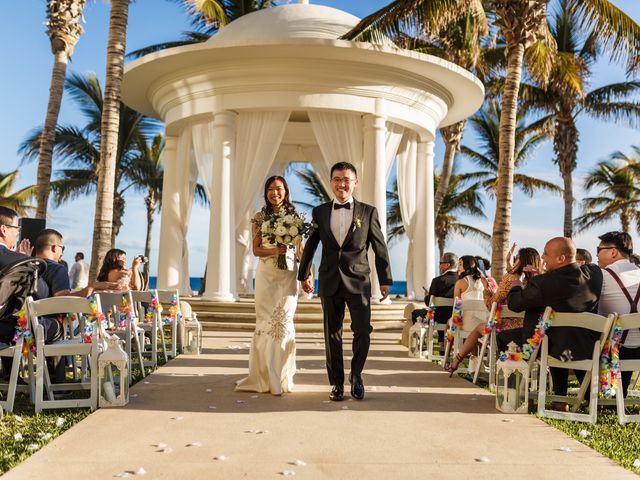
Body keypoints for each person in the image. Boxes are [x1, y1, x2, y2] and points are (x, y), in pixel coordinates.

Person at [298, 162, 392, 401]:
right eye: (337, 179)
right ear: (331, 182)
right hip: (329, 280)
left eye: (346, 179)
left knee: (363, 331)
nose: (342, 184)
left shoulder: (368, 212)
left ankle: (357, 376)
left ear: (355, 183)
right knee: (332, 335)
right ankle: (337, 383)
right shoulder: (319, 212)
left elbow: (380, 247)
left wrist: (385, 280)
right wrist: (304, 274)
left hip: (359, 281)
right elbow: (311, 244)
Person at [506, 237, 602, 397]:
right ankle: (579, 395)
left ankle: (515, 392)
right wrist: (543, 275)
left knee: (504, 338)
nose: (542, 258)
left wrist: (516, 282)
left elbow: (514, 304)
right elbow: (565, 285)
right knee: (565, 335)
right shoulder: (594, 274)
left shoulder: (543, 284)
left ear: (560, 258)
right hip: (586, 348)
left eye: (545, 254)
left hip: (552, 350)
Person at [236, 176, 302, 395]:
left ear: (286, 191)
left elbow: (300, 250)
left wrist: (308, 274)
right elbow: (255, 250)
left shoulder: (295, 217)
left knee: (284, 321)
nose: (275, 193)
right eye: (271, 189)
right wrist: (276, 250)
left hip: (288, 274)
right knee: (267, 321)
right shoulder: (259, 217)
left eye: (279, 189)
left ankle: (283, 375)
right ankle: (267, 377)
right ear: (266, 193)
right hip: (266, 274)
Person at [447, 246, 542, 376]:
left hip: (505, 330)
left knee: (478, 329)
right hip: (533, 331)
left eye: (516, 258)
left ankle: (456, 361)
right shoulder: (540, 280)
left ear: (520, 261)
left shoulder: (510, 279)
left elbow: (492, 305)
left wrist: (487, 289)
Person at [595, 231, 640, 396]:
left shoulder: (602, 276)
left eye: (598, 250)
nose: (596, 255)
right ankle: (619, 394)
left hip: (614, 351)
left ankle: (587, 395)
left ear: (613, 251)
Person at [411, 252, 458, 347]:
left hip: (437, 319)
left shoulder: (437, 281)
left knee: (416, 313)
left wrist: (427, 296)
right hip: (455, 318)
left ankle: (419, 346)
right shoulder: (461, 280)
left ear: (447, 265)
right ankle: (442, 344)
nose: (439, 265)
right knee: (443, 311)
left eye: (441, 263)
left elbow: (429, 303)